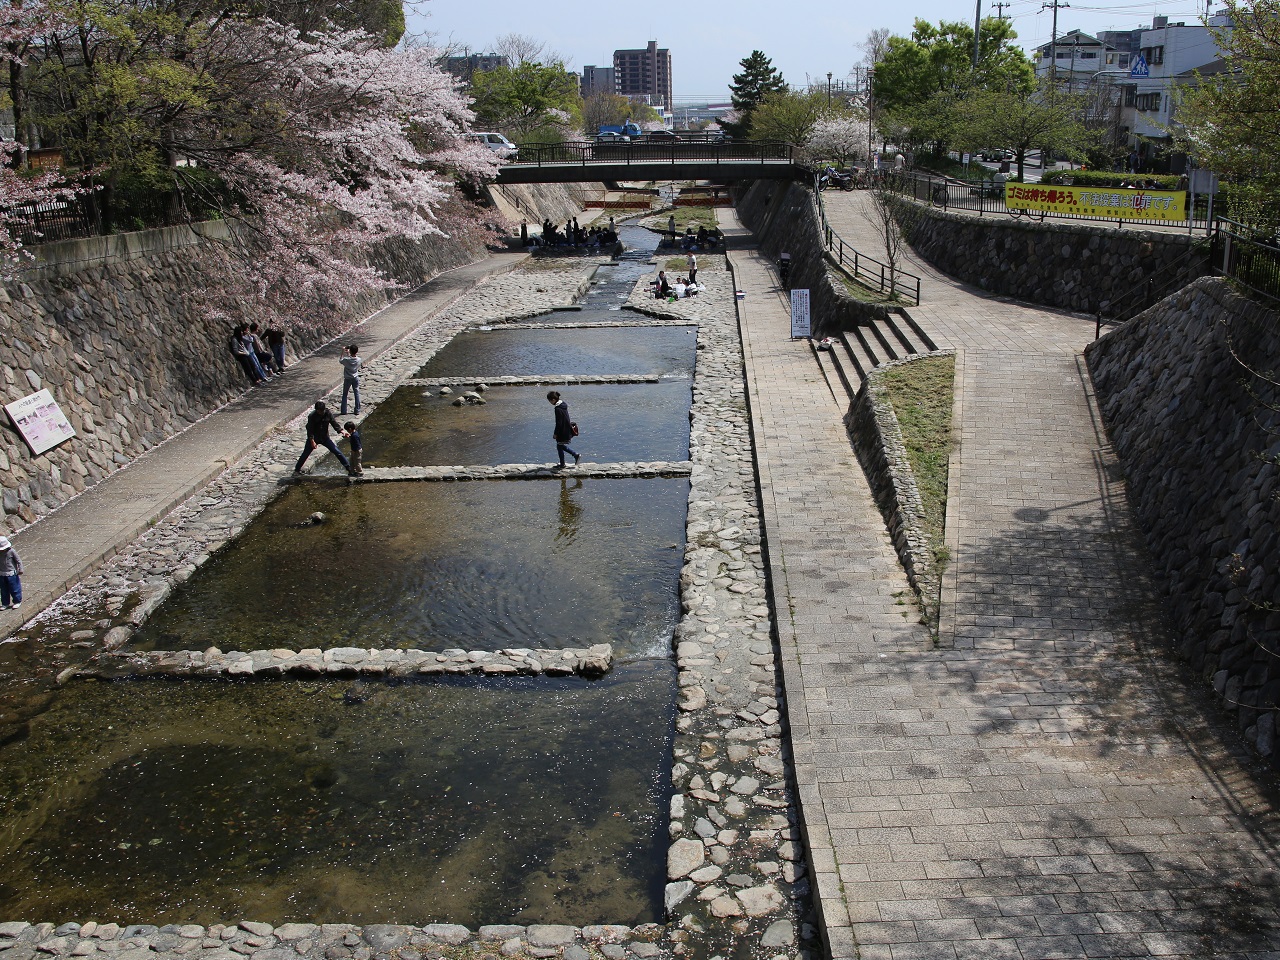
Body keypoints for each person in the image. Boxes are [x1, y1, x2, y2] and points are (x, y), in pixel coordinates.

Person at [295, 401, 355, 475]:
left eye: (322, 411)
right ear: (316, 410)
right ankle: (297, 470)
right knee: (305, 454)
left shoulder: (328, 413)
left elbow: (334, 423)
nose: (321, 412)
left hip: (325, 438)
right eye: (319, 411)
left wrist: (342, 431)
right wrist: (312, 441)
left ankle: (349, 468)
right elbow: (309, 429)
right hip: (314, 437)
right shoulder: (312, 416)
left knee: (337, 452)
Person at [547, 390, 580, 468]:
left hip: (563, 431)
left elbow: (559, 423)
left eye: (549, 401)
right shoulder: (563, 404)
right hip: (566, 428)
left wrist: (555, 433)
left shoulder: (558, 409)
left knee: (559, 446)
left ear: (553, 400)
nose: (550, 403)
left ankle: (573, 456)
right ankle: (567, 460)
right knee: (560, 446)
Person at [0, 536, 23, 610]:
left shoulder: (11, 551)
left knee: (14, 588)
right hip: (2, 573)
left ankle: (17, 601)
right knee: (4, 590)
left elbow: (18, 561)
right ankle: (5, 603)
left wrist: (20, 569)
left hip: (11, 574)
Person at [340, 343, 361, 415]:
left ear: (351, 351)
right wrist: (349, 353)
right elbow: (352, 359)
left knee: (345, 394)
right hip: (355, 377)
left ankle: (343, 410)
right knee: (356, 393)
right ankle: (357, 410)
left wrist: (343, 351)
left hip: (347, 378)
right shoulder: (358, 359)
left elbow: (341, 360)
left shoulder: (346, 360)